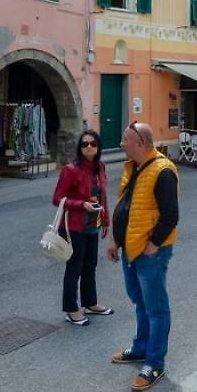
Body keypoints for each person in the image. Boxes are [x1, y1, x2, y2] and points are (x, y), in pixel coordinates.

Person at [108, 121, 179, 392]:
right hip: (130, 247)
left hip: (150, 252)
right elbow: (126, 207)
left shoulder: (163, 171)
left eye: (125, 140)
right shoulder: (134, 166)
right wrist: (116, 239)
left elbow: (171, 215)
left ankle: (155, 363)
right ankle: (140, 348)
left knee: (156, 307)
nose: (121, 144)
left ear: (139, 143)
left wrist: (153, 244)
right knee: (140, 301)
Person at [53, 129, 112, 325]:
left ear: (98, 147)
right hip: (74, 227)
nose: (89, 147)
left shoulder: (100, 167)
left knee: (90, 265)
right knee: (74, 267)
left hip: (92, 224)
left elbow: (103, 196)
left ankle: (90, 303)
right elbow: (57, 198)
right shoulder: (71, 170)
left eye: (92, 144)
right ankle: (71, 309)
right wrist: (81, 205)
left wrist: (106, 220)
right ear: (80, 148)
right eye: (85, 144)